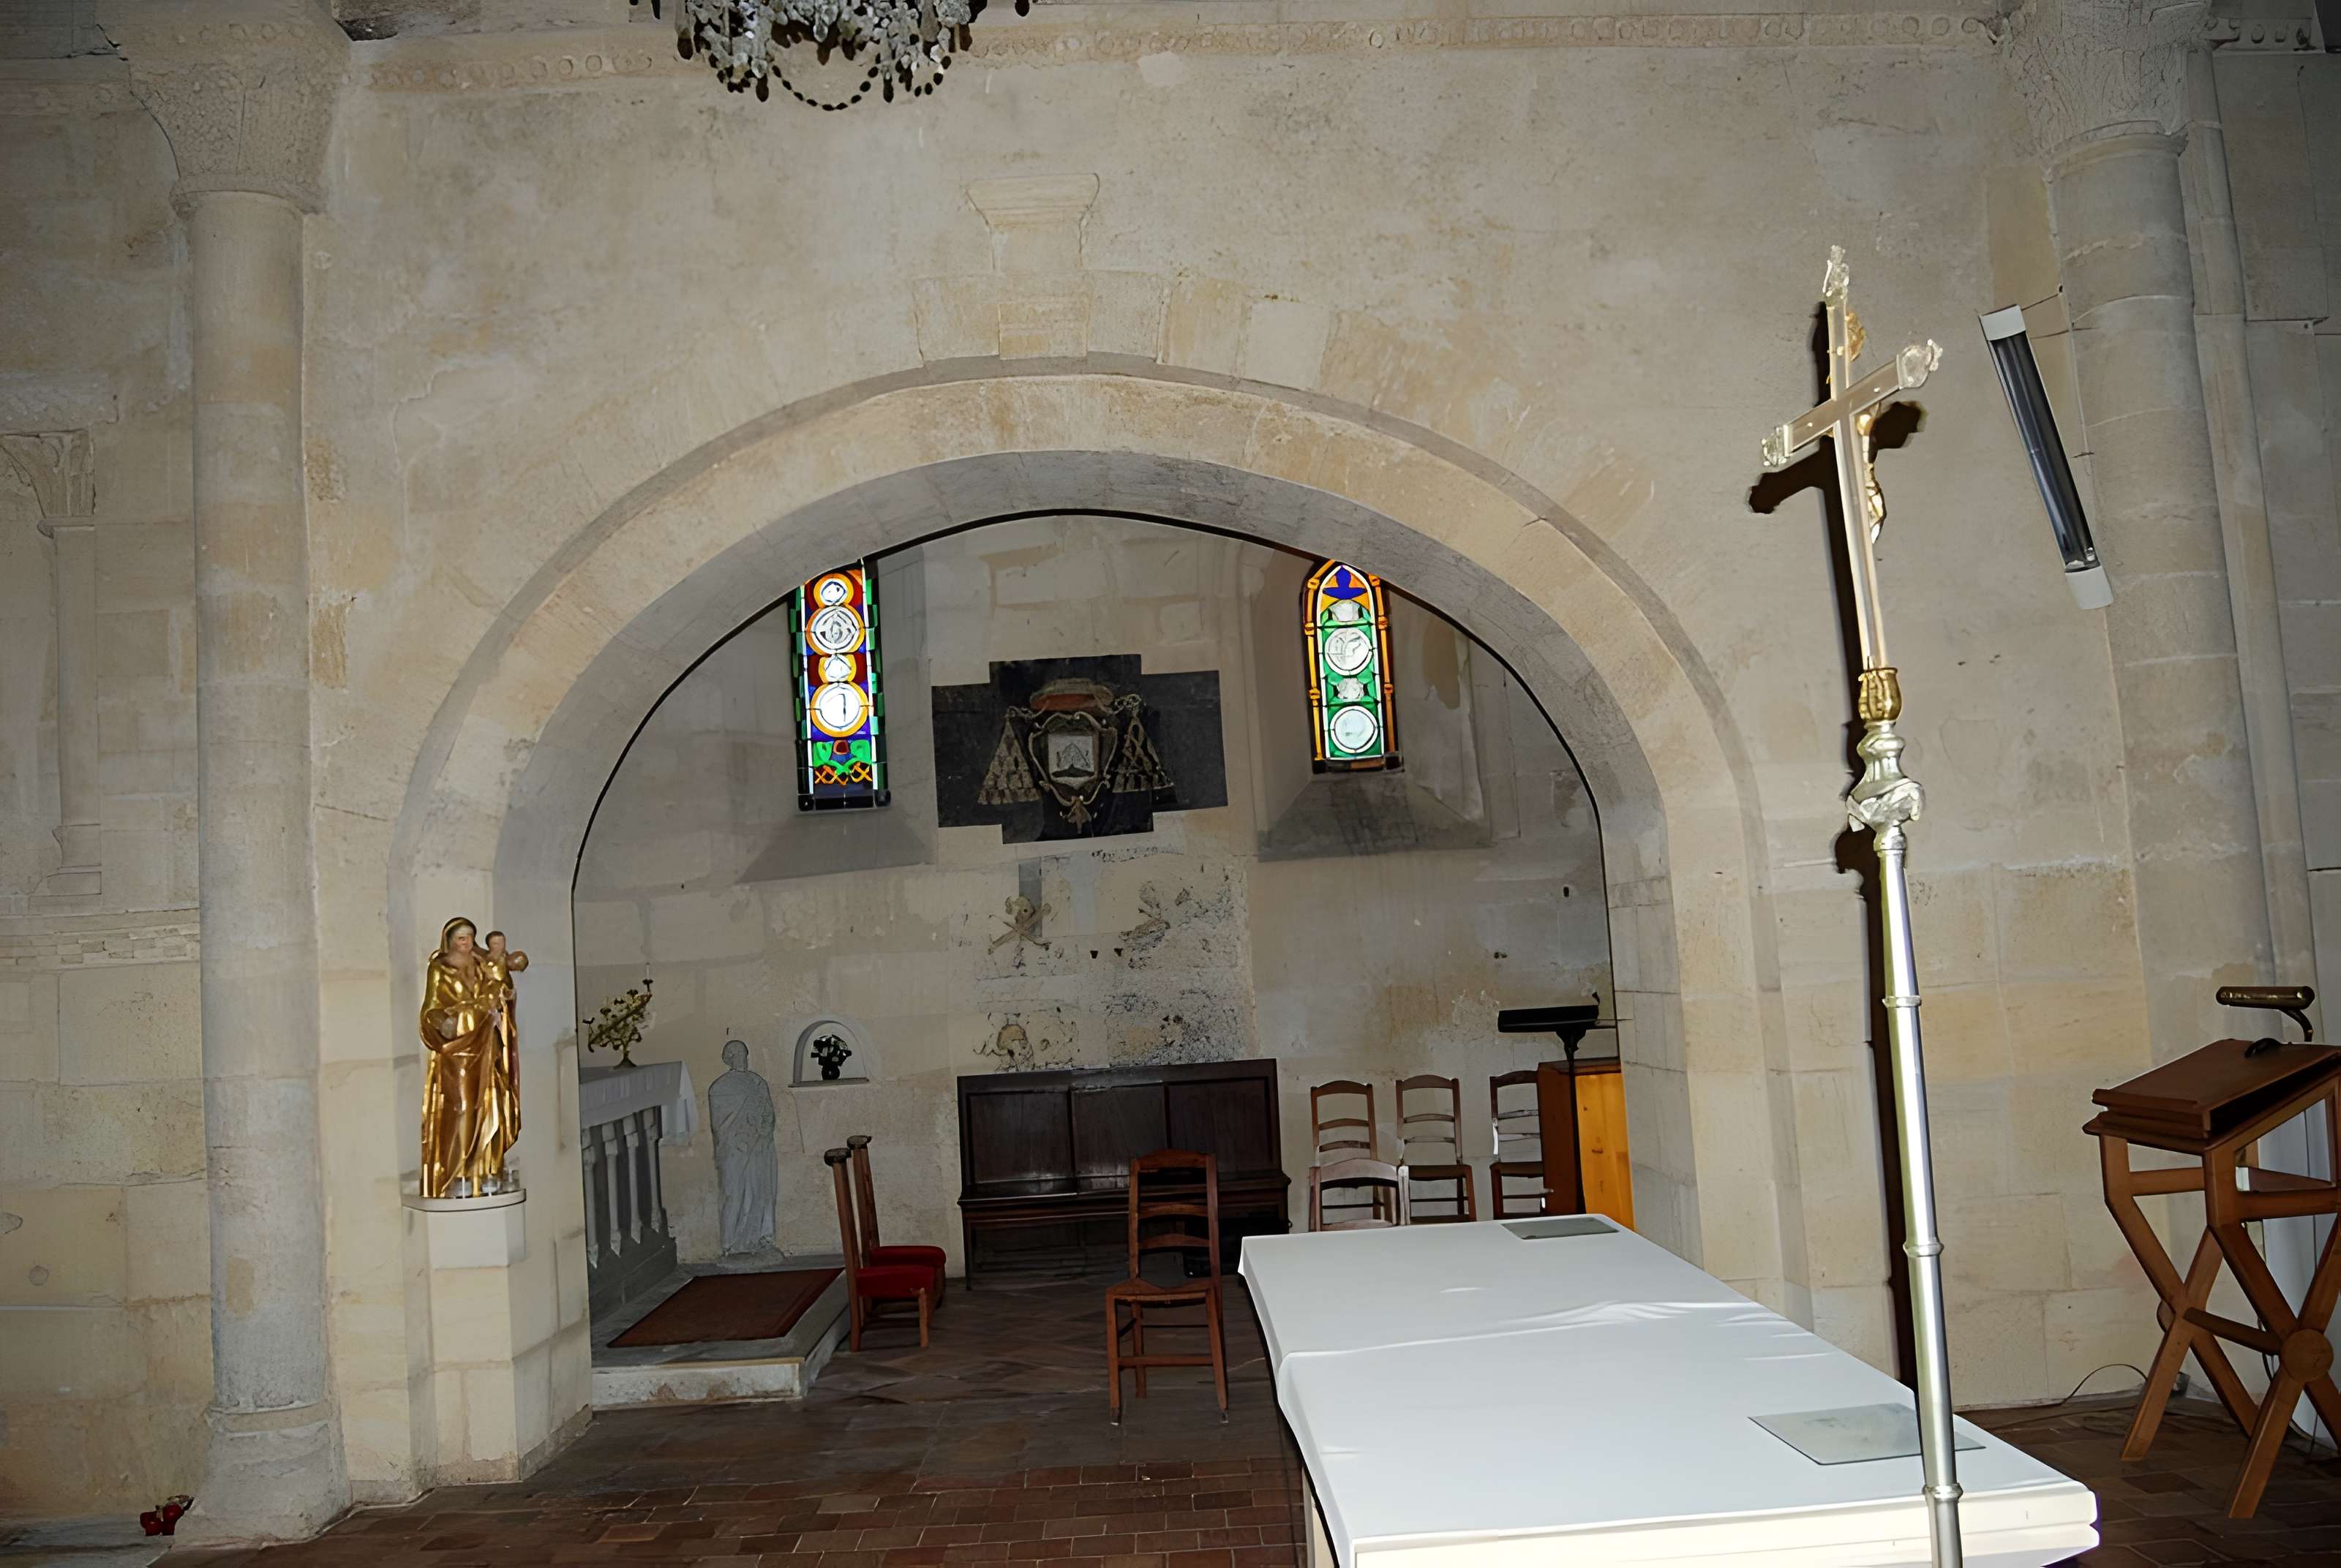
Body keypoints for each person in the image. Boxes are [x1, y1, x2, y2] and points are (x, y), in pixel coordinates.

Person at [418, 917, 516, 1199]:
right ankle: (455, 1171)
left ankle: (482, 1168)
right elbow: (432, 1007)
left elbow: (500, 986)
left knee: (488, 1103)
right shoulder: (440, 969)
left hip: (486, 1040)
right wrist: (441, 1023)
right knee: (461, 1106)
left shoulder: (480, 964)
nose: (467, 943)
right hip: (458, 1047)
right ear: (450, 940)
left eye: (471, 937)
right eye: (461, 938)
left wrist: (504, 990)